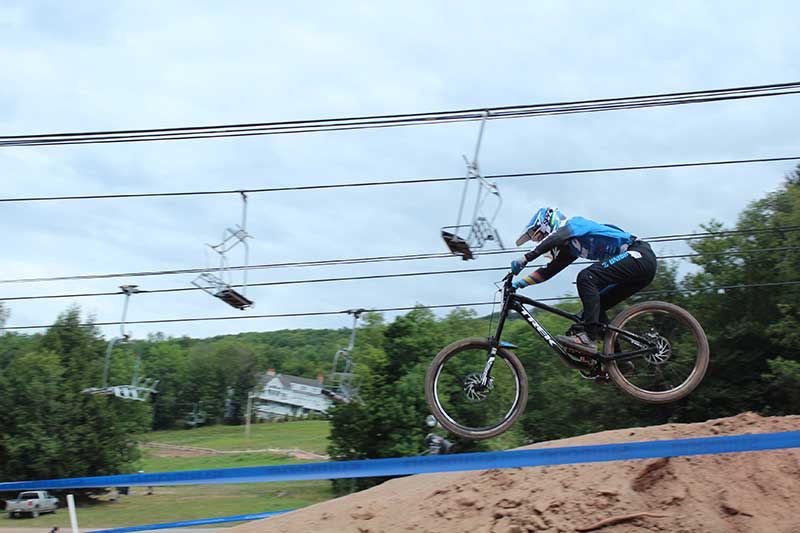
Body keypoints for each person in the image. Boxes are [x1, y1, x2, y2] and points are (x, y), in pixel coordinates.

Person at [510, 207, 657, 354]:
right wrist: (519, 284)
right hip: (637, 270)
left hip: (639, 254)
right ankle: (617, 361)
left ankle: (589, 338)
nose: (541, 241)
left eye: (541, 237)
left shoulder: (575, 224)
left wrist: (526, 258)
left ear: (548, 224)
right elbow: (548, 271)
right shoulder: (570, 248)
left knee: (586, 278)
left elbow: (557, 237)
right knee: (592, 310)